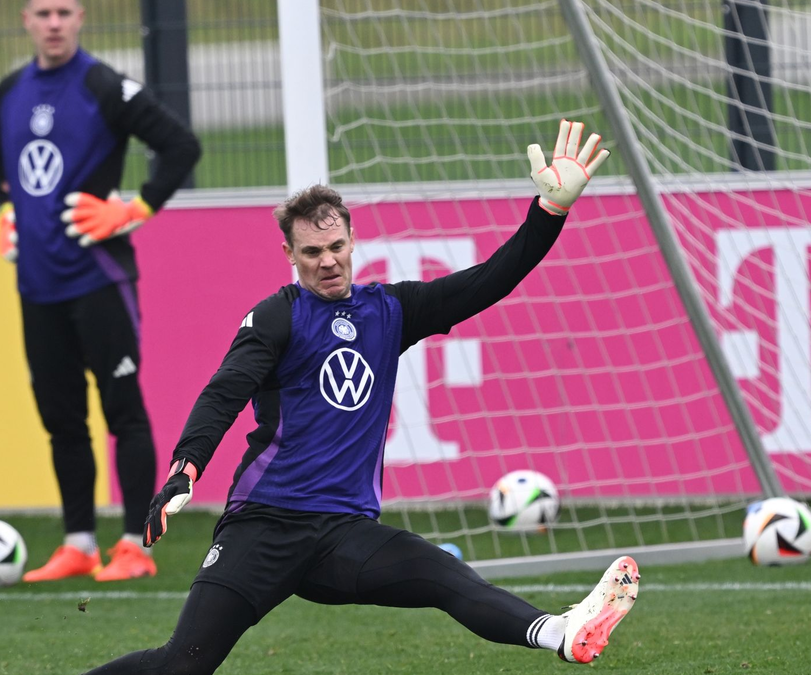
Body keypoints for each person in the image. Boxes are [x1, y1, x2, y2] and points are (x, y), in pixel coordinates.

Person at [84, 119, 637, 673]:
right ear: (290, 255)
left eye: (336, 246)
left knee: (446, 577)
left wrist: (549, 213)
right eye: (311, 251)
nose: (327, 260)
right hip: (265, 526)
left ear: (352, 241)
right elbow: (224, 392)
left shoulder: (391, 311)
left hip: (343, 535)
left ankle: (561, 633)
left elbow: (492, 279)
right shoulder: (278, 316)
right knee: (183, 665)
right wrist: (187, 467)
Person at [0, 0, 201, 582]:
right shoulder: (9, 90)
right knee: (61, 421)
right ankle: (79, 543)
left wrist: (134, 208)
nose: (53, 22)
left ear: (81, 17)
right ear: (24, 19)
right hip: (37, 286)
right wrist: (7, 209)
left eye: (64, 11)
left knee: (123, 415)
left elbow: (182, 145)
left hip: (99, 281)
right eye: (41, 11)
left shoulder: (103, 85)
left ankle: (134, 544)